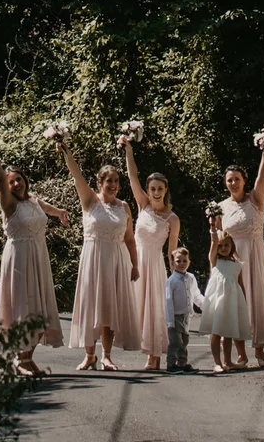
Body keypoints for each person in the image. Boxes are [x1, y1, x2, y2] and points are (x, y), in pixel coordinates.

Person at [0, 142, 70, 375]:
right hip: (19, 260)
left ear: (25, 180)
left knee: (39, 308)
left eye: (19, 179)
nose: (15, 183)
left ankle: (26, 358)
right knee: (25, 307)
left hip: (38, 257)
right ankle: (21, 360)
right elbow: (0, 179)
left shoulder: (32, 200)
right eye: (11, 181)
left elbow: (47, 208)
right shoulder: (9, 205)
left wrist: (60, 212)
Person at [58, 132, 140, 370]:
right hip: (93, 258)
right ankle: (89, 354)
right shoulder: (90, 201)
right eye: (109, 181)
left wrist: (135, 265)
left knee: (109, 307)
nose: (113, 185)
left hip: (115, 260)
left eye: (116, 181)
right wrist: (65, 150)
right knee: (90, 305)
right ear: (100, 184)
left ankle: (106, 355)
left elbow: (130, 239)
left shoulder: (124, 207)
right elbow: (76, 174)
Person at [213, 135, 264, 364]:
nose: (233, 183)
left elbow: (263, 176)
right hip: (233, 260)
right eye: (229, 180)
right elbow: (218, 239)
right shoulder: (220, 207)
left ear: (244, 180)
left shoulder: (256, 199)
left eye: (237, 179)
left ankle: (260, 349)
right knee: (237, 303)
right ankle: (241, 352)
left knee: (257, 298)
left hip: (255, 254)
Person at [121, 134, 184, 369]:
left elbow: (173, 249)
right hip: (136, 261)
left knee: (154, 309)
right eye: (152, 188)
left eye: (160, 188)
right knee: (134, 306)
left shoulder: (172, 218)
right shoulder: (143, 205)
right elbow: (132, 177)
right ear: (147, 190)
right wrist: (128, 149)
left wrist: (176, 275)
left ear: (166, 190)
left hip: (156, 265)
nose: (156, 192)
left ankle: (154, 357)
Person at [200, 228, 250, 372]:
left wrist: (244, 301)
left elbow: (240, 284)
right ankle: (217, 363)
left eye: (226, 245)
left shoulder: (237, 265)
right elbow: (213, 242)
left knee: (228, 331)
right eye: (220, 246)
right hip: (217, 300)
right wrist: (212, 225)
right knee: (216, 331)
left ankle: (228, 361)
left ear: (232, 246)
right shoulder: (215, 261)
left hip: (231, 301)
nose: (223, 248)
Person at [162, 244, 201, 372]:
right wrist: (170, 321)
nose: (182, 263)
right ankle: (171, 364)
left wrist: (205, 305)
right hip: (175, 316)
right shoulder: (171, 281)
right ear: (172, 263)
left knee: (184, 341)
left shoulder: (191, 278)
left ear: (189, 261)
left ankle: (182, 363)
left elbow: (195, 294)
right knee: (175, 342)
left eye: (185, 261)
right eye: (178, 261)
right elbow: (168, 301)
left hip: (186, 316)